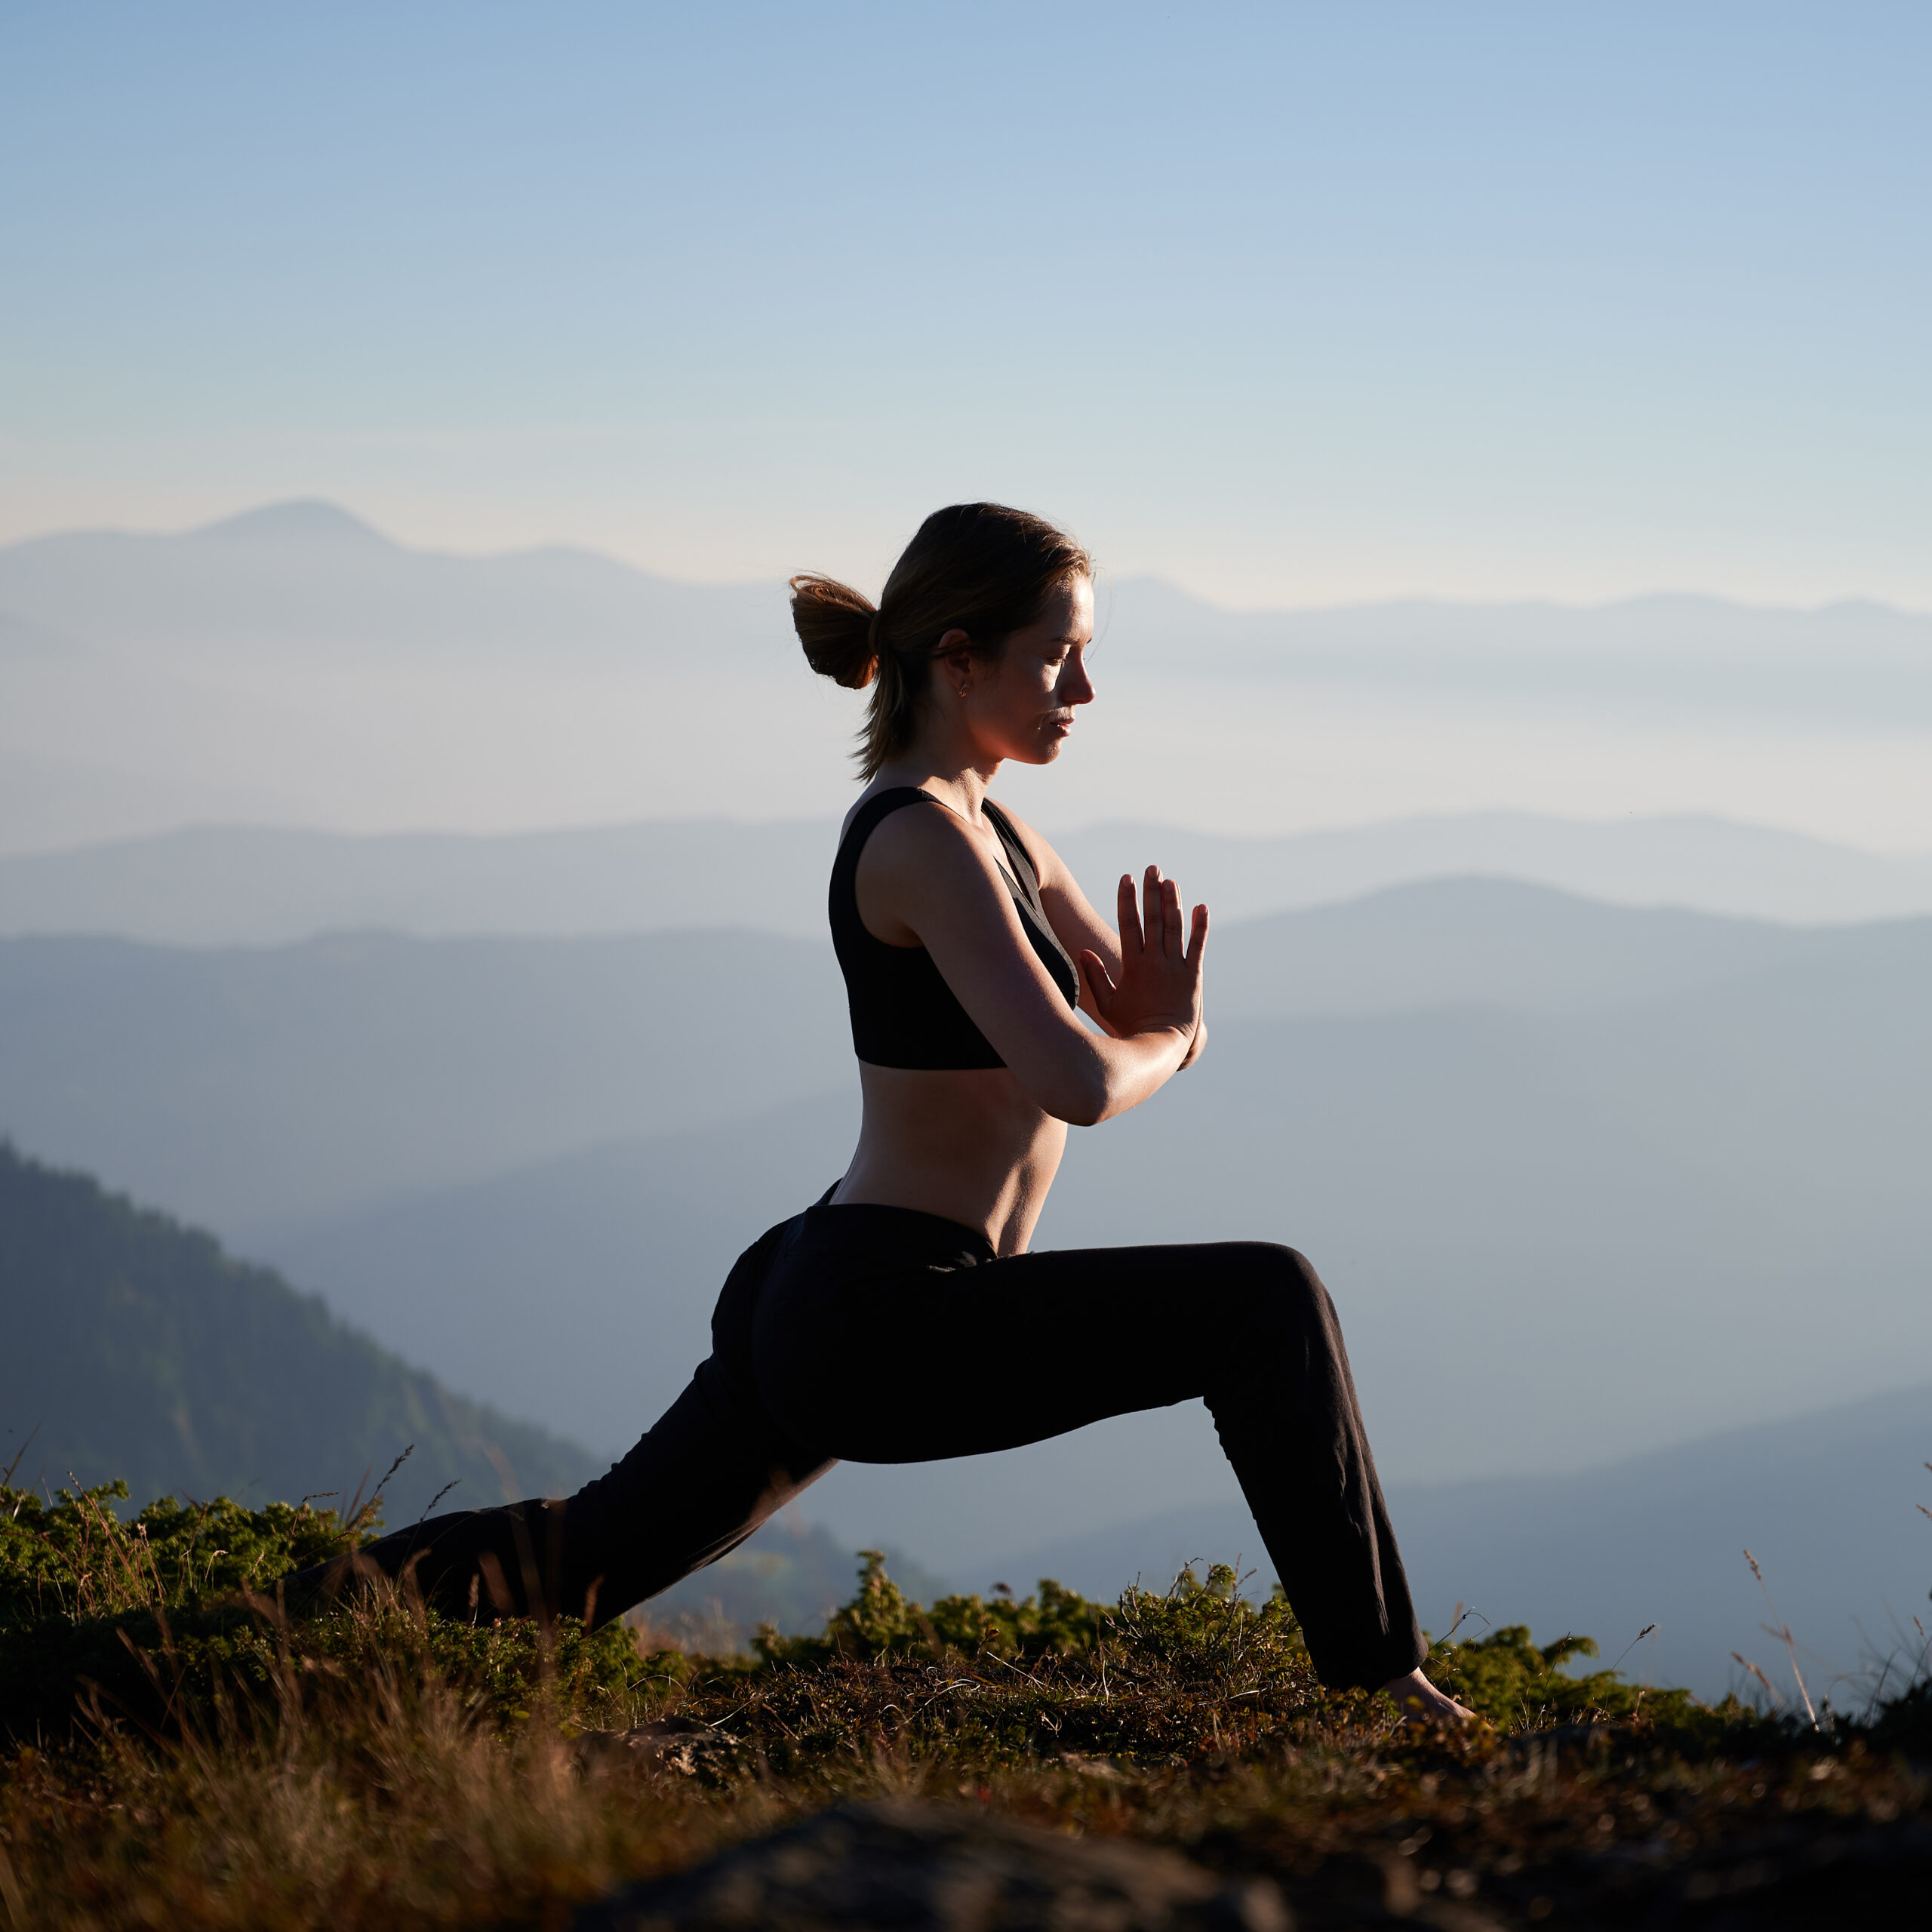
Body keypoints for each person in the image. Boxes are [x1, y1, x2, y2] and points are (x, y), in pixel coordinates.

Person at [299, 502, 1470, 1722]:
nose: (1082, 688)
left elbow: (1123, 1028)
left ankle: (224, 1641)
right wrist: (1166, 1036)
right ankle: (1386, 1682)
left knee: (583, 1562)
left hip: (847, 1282)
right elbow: (1084, 1077)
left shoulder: (999, 827)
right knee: (1264, 1300)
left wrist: (1162, 1029)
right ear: (959, 660)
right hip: (885, 1314)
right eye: (1056, 655)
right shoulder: (920, 843)